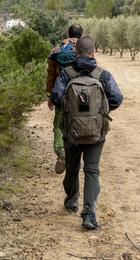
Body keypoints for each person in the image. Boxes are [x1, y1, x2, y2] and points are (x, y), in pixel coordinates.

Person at [50, 36, 123, 229]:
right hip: (96, 133)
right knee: (92, 170)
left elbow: (57, 98)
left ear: (75, 51)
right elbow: (117, 98)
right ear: (94, 52)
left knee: (72, 168)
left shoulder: (67, 74)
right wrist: (100, 112)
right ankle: (89, 214)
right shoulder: (103, 74)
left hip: (71, 132)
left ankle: (72, 200)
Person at [46, 24, 83, 174]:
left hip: (61, 94)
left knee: (59, 125)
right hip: (81, 95)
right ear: (81, 35)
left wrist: (50, 97)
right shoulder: (83, 49)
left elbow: (51, 76)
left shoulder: (56, 50)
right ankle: (75, 157)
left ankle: (61, 149)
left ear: (67, 34)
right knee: (79, 124)